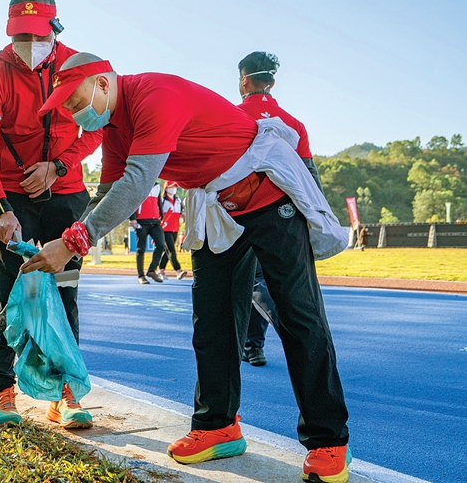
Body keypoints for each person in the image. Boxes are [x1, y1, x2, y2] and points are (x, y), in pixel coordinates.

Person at [21, 53, 352, 483]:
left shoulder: (154, 95)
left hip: (269, 197)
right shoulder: (115, 130)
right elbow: (107, 194)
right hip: (217, 205)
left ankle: (328, 440)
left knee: (297, 313)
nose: (73, 112)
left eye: (74, 101)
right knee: (212, 318)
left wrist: (71, 244)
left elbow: (137, 182)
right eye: (66, 107)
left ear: (102, 84)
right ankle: (217, 425)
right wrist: (67, 244)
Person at [0, 0, 103, 429]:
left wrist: (58, 166)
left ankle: (65, 392)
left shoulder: (77, 69)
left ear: (55, 28)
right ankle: (3, 390)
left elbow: (98, 128)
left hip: (65, 193)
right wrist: (0, 209)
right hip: (12, 198)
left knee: (65, 292)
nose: (28, 44)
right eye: (20, 35)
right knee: (12, 289)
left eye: (37, 34)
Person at [236, 51, 323, 368]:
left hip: (242, 211)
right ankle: (253, 345)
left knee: (253, 282)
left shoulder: (231, 116)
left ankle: (287, 336)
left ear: (244, 81)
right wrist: (318, 217)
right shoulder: (294, 123)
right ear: (272, 83)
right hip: (288, 215)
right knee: (287, 284)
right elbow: (309, 174)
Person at [131, 182, 168, 284]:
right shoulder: (138, 183)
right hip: (141, 221)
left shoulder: (157, 186)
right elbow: (131, 201)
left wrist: (161, 215)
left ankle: (151, 270)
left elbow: (158, 201)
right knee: (141, 249)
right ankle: (141, 276)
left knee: (161, 244)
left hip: (155, 221)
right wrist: (132, 218)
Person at [158, 182, 187, 280]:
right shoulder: (162, 200)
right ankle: (178, 270)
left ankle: (161, 269)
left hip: (175, 228)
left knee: (167, 251)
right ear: (166, 188)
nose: (173, 189)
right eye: (171, 187)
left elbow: (181, 212)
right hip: (164, 228)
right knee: (171, 249)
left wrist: (184, 214)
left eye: (175, 187)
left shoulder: (178, 200)